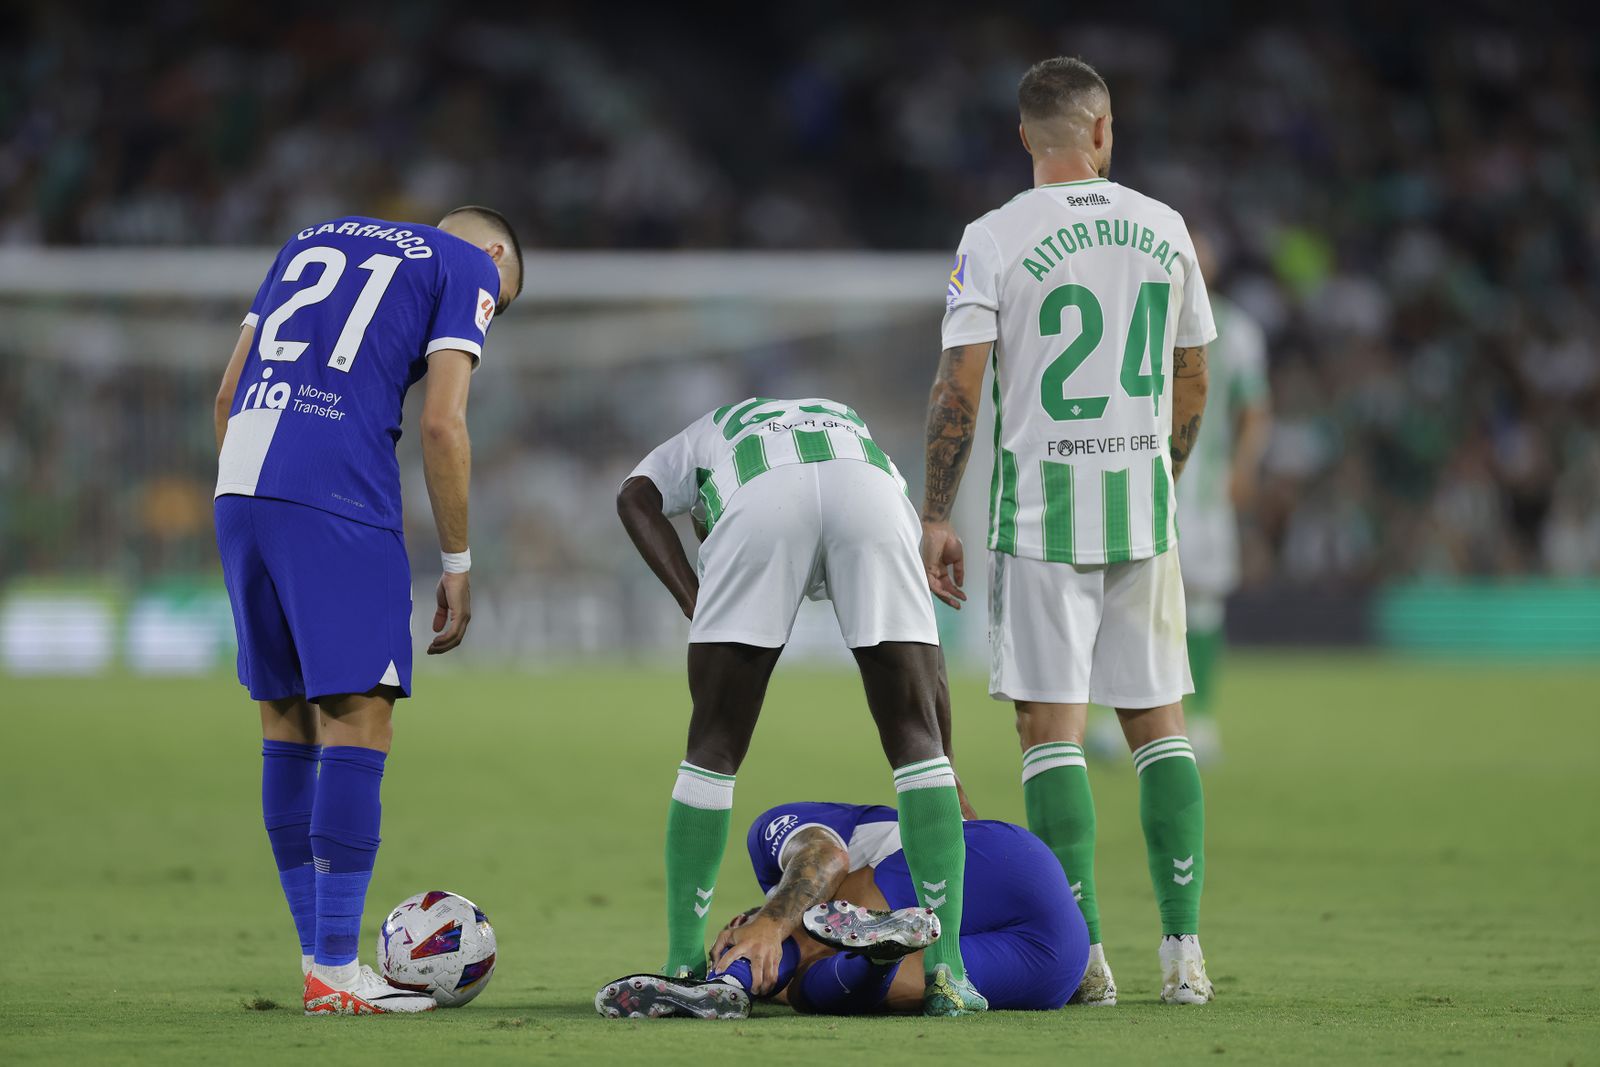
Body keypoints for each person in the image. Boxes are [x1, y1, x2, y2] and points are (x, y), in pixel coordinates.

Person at [918, 56, 1216, 1005]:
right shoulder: (1164, 227)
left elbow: (959, 383)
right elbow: (1193, 375)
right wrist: (1158, 470)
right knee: (1158, 726)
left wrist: (934, 511)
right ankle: (1186, 952)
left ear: (1024, 138)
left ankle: (1085, 957)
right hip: (1141, 514)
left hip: (1040, 520)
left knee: (1051, 733)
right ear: (1102, 131)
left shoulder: (994, 236)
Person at [212, 207, 523, 1015]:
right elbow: (442, 420)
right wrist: (457, 562)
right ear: (492, 254)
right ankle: (337, 969)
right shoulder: (470, 265)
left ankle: (321, 963)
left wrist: (259, 495)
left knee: (285, 721)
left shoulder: (311, 235)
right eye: (503, 300)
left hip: (240, 480)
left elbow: (225, 392)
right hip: (336, 491)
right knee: (358, 717)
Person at [614, 398, 984, 1015]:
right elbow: (932, 668)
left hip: (761, 499)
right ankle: (949, 974)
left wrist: (694, 598)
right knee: (917, 750)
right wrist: (946, 761)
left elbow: (633, 497)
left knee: (712, 749)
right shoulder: (862, 441)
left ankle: (683, 963)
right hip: (869, 497)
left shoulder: (705, 437)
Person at [596, 801, 1089, 1019]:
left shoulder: (772, 835)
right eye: (732, 953)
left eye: (733, 946)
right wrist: (783, 983)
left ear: (735, 923)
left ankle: (728, 984)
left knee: (807, 924)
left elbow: (824, 859)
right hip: (1055, 963)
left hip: (996, 863)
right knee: (834, 991)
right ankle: (876, 954)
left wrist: (769, 925)